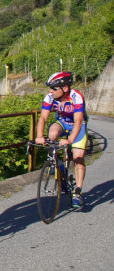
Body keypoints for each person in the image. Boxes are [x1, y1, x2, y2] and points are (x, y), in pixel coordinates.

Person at [34, 71, 87, 208]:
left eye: (54, 88)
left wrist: (70, 141)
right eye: (50, 88)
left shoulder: (76, 97)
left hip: (78, 125)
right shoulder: (50, 97)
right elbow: (43, 118)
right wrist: (40, 136)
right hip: (62, 122)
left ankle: (78, 192)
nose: (51, 91)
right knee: (52, 133)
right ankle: (56, 163)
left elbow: (78, 121)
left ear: (65, 88)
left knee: (78, 157)